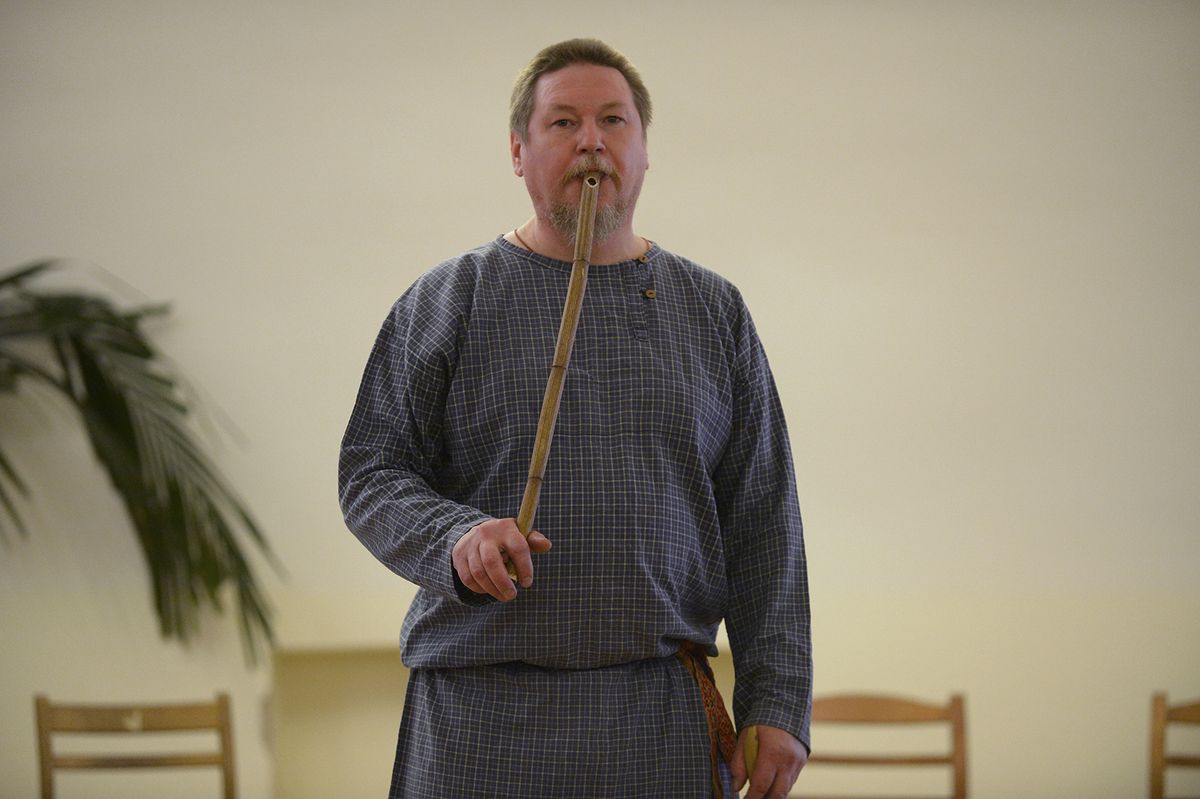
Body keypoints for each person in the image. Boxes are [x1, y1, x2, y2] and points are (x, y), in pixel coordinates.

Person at [339, 38, 811, 799]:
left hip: (657, 723)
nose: (591, 140)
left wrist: (778, 698)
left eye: (613, 121)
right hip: (476, 723)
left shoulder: (713, 311)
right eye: (563, 122)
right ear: (518, 151)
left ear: (644, 150)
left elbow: (763, 519)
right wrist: (454, 538)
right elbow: (371, 473)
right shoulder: (447, 301)